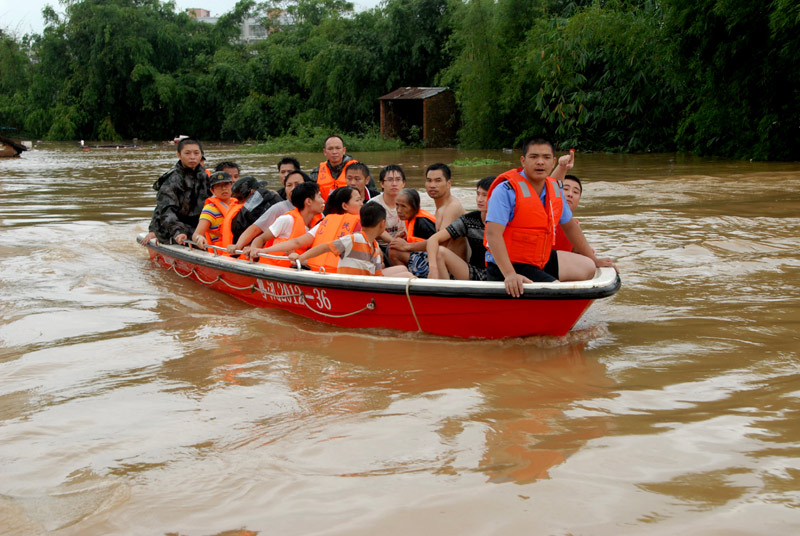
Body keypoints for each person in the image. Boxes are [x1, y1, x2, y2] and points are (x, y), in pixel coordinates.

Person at [484, 138, 615, 297]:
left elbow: (570, 226)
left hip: (539, 260)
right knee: (559, 292)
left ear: (553, 162)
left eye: (546, 158)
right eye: (534, 157)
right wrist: (509, 274)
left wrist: (595, 259)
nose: (540, 162)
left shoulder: (554, 188)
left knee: (587, 266)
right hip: (508, 265)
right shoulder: (505, 190)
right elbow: (492, 234)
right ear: (523, 161)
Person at [289, 202, 412, 278]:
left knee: (403, 270)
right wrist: (301, 258)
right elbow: (325, 247)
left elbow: (378, 274)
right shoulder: (353, 239)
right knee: (407, 275)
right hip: (355, 285)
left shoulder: (374, 245)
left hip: (369, 280)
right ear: (382, 224)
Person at [258, 186, 363, 272]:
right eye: (358, 200)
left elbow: (297, 242)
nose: (362, 204)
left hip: (321, 270)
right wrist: (264, 250)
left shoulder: (323, 221)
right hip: (336, 272)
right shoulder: (324, 222)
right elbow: (297, 242)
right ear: (344, 206)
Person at [388, 163, 465, 276]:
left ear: (449, 183)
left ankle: (416, 282)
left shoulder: (452, 207)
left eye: (438, 180)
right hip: (439, 258)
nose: (432, 185)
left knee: (395, 251)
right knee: (395, 249)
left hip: (449, 268)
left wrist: (406, 246)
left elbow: (440, 243)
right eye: (429, 180)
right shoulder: (441, 207)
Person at [141, 137, 210, 245]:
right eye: (187, 153)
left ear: (201, 155)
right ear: (179, 155)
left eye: (196, 153)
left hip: (196, 226)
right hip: (172, 228)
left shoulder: (204, 176)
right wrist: (177, 231)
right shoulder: (172, 179)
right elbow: (165, 210)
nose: (192, 157)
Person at [426, 176, 495, 280]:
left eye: (485, 195)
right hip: (473, 272)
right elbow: (433, 239)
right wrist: (433, 268)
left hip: (498, 275)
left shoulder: (506, 222)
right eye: (478, 194)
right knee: (440, 251)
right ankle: (445, 292)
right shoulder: (469, 220)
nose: (479, 199)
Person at [228, 170, 310, 253]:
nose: (293, 189)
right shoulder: (279, 208)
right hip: (285, 258)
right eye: (289, 185)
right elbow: (254, 229)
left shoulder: (316, 207)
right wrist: (238, 246)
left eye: (298, 185)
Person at [243, 181, 324, 265]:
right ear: (308, 202)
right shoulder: (287, 220)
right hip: (272, 267)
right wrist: (254, 249)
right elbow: (260, 239)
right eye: (319, 196)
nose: (323, 200)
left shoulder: (319, 221)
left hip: (297, 267)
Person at [388, 188, 436, 276]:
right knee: (394, 245)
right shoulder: (413, 217)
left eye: (403, 206)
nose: (398, 210)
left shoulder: (422, 222)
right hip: (428, 257)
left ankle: (408, 279)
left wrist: (406, 246)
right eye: (397, 205)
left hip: (436, 263)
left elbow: (436, 244)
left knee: (393, 251)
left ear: (415, 207)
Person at [310, 135, 375, 201]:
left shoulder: (360, 170)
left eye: (338, 148)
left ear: (344, 150)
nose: (334, 152)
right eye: (330, 149)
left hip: (352, 208)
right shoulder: (316, 172)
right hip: (325, 210)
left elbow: (372, 192)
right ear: (325, 152)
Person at [225, 176, 283, 244]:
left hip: (231, 250)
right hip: (251, 250)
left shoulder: (233, 208)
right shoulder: (252, 212)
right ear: (252, 192)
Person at [191, 171, 235, 249]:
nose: (224, 189)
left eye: (226, 184)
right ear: (212, 190)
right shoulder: (210, 210)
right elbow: (196, 234)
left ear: (231, 185)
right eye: (218, 186)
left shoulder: (237, 204)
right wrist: (199, 238)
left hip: (237, 247)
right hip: (220, 251)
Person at [371, 164, 406, 241]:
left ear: (403, 183)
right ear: (382, 184)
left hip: (405, 243)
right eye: (390, 180)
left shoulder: (410, 203)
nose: (394, 184)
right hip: (381, 246)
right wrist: (393, 241)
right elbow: (373, 230)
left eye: (398, 179)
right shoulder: (373, 204)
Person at [553, 174, 582, 252]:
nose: (570, 194)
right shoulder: (545, 216)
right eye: (565, 189)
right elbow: (551, 185)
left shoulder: (575, 225)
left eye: (575, 192)